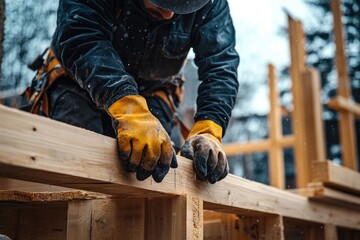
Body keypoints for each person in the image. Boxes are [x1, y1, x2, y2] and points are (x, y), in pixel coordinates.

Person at [31, 0, 239, 184]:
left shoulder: (211, 4)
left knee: (153, 172)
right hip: (77, 80)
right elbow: (81, 36)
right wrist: (127, 105)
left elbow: (220, 67)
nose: (169, 14)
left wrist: (209, 128)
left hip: (154, 90)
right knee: (74, 170)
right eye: (162, 2)